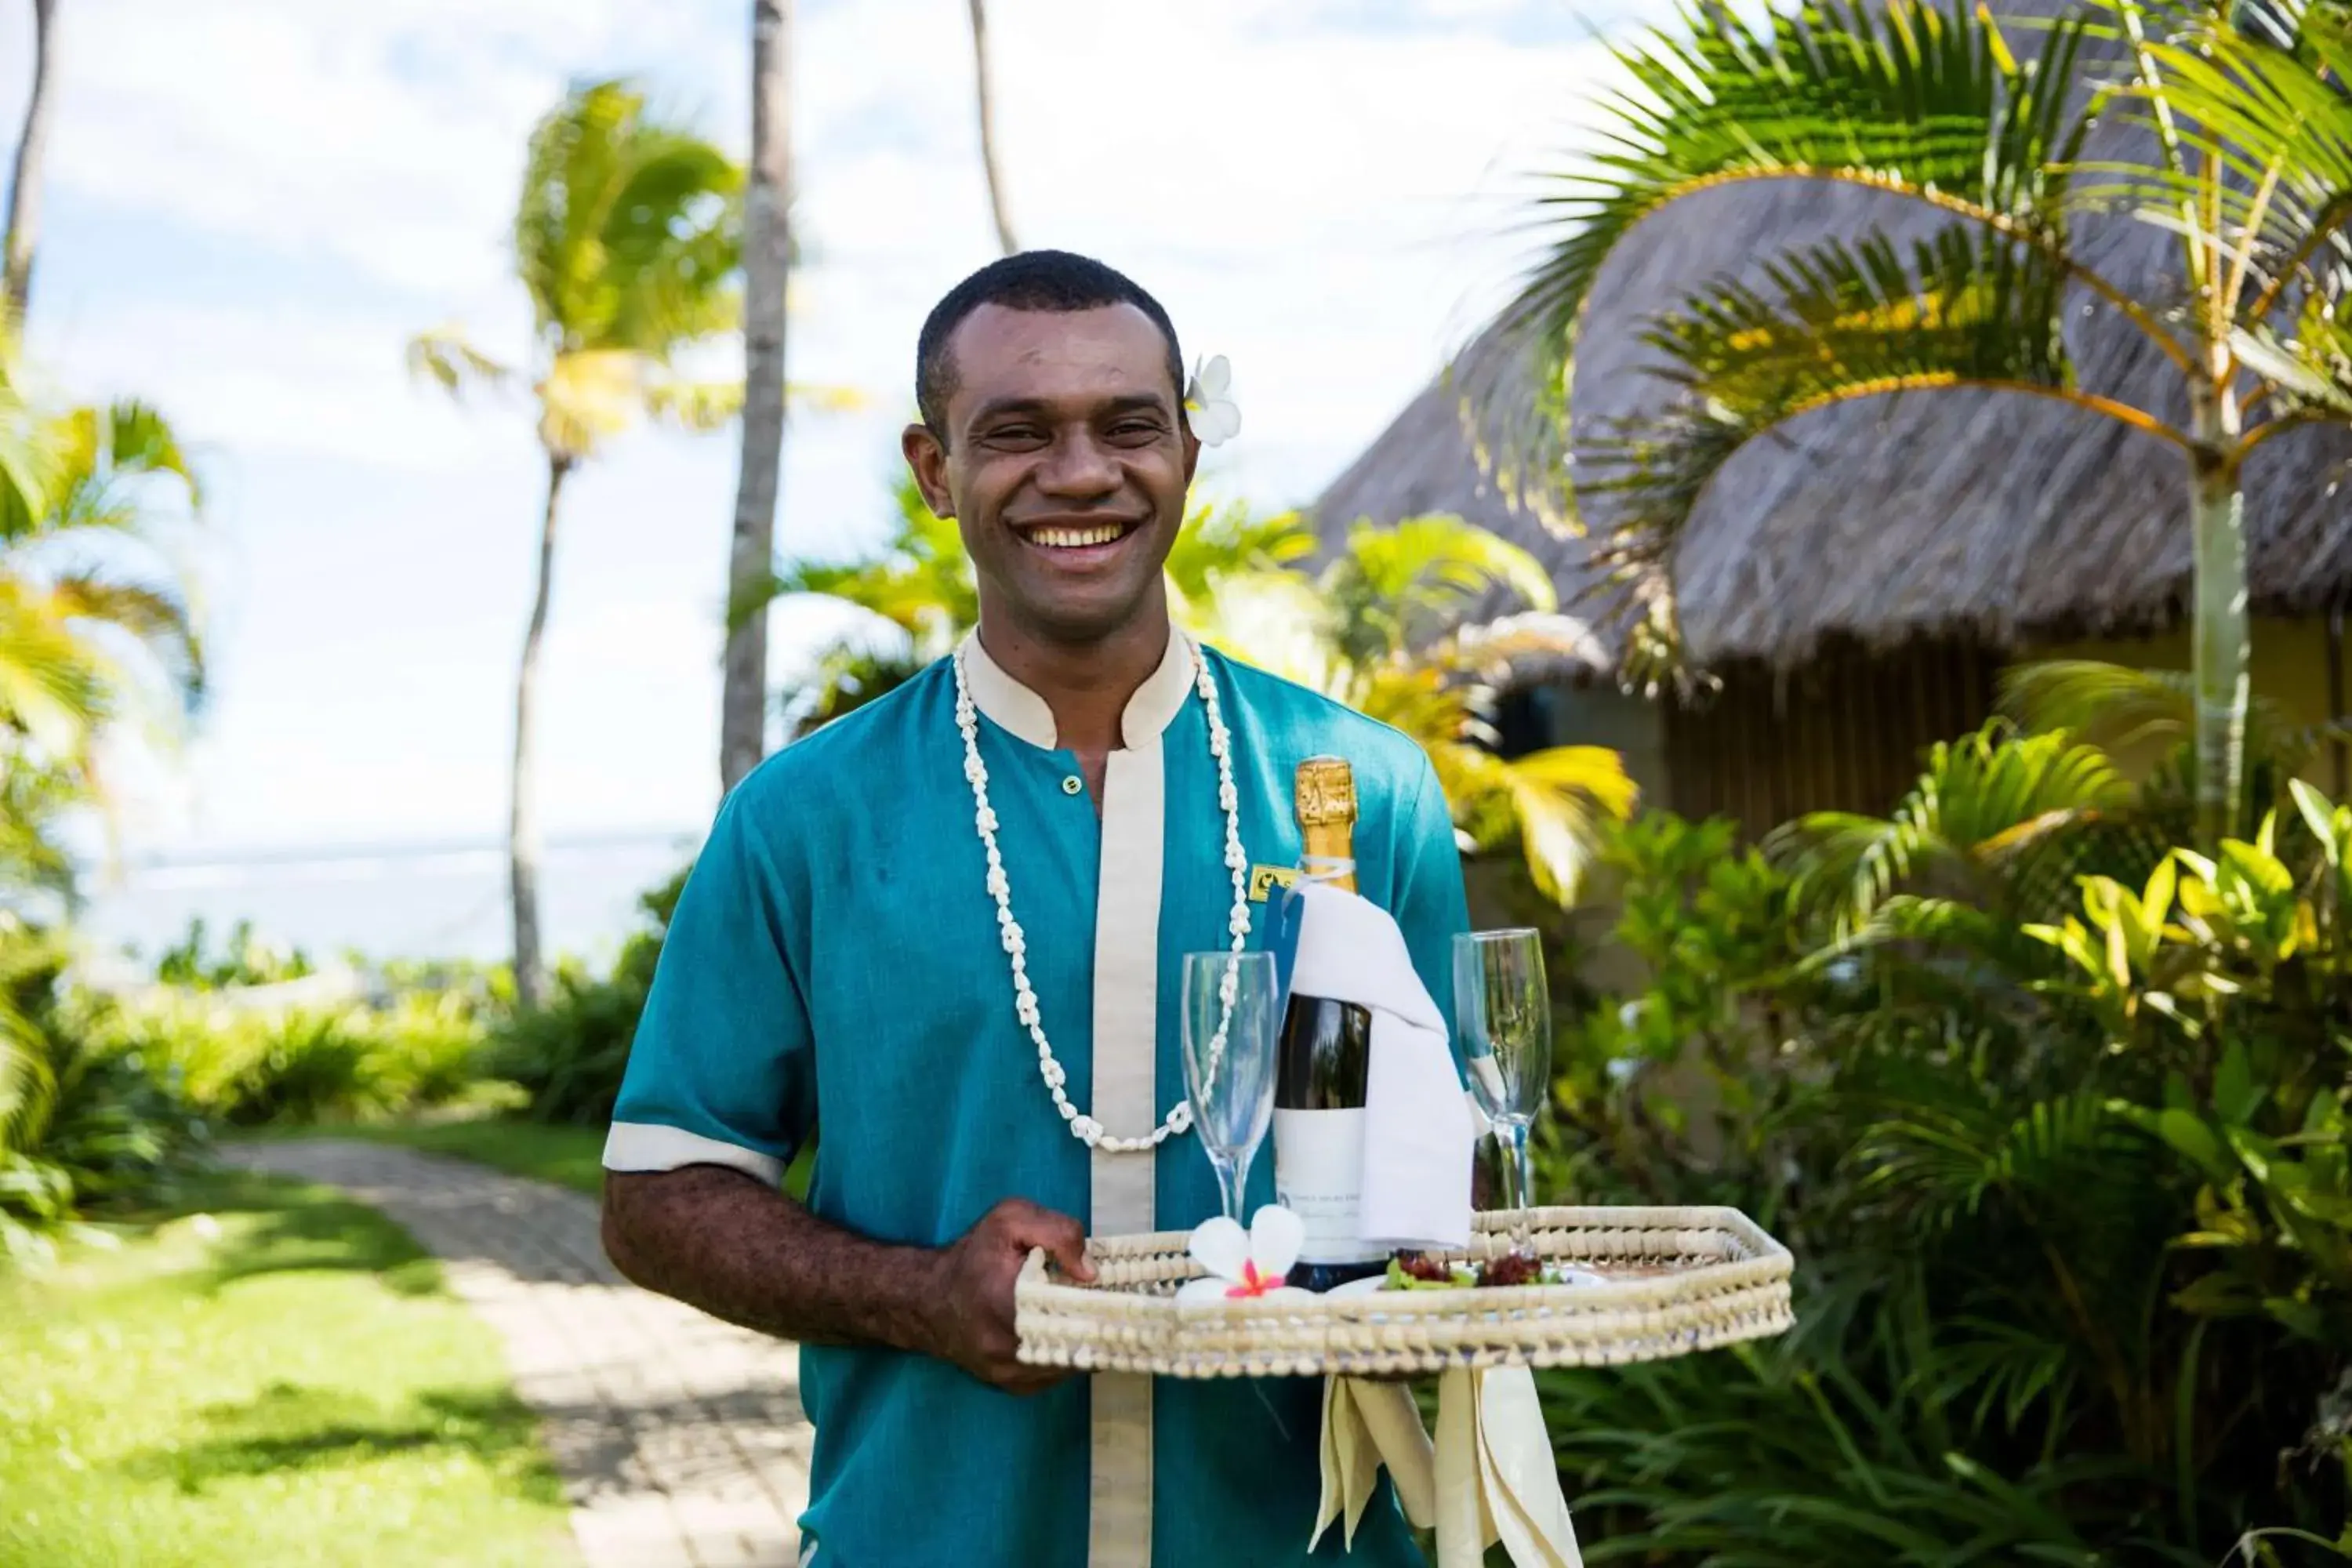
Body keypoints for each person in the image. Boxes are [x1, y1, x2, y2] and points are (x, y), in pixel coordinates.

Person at [601, 250, 1470, 1567]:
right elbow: (660, 1196)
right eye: (1017, 433)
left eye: (1129, 425)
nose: (1080, 473)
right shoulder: (804, 818)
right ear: (935, 470)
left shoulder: (1365, 792)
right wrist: (916, 1296)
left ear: (1187, 448)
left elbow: (1453, 1183)